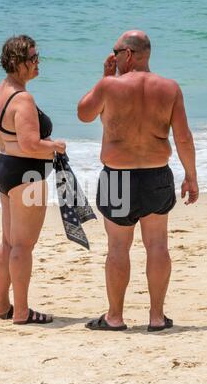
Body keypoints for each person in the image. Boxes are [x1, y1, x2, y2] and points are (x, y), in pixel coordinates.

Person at [78, 30, 199, 332]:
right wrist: (191, 176)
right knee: (157, 245)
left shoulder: (109, 86)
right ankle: (157, 317)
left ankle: (115, 317)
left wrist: (103, 78)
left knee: (118, 247)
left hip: (118, 178)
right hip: (157, 174)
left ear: (128, 55)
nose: (113, 57)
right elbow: (183, 137)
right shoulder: (169, 88)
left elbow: (83, 114)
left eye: (115, 52)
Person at [0, 35, 66, 325]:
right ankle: (21, 311)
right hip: (27, 174)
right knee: (23, 246)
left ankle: (2, 305)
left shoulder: (1, 91)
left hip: (4, 168)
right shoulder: (23, 98)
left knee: (8, 242)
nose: (38, 63)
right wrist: (56, 145)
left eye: (37, 57)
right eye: (33, 58)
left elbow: (3, 140)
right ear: (17, 62)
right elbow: (32, 144)